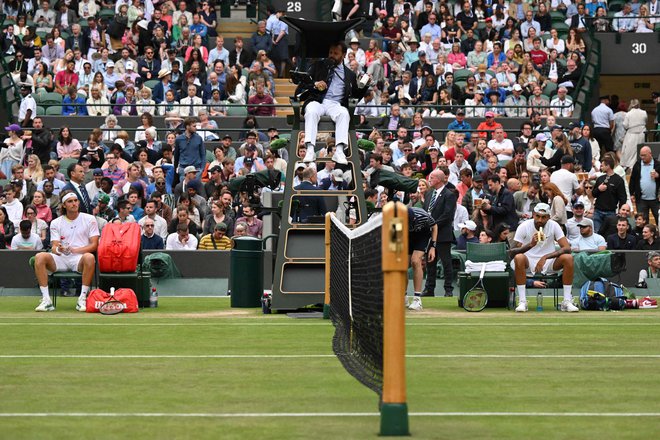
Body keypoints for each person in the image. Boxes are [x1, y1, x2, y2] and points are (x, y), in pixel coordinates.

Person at [299, 41, 370, 165]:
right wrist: (315, 84)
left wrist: (365, 86)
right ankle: (310, 148)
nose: (332, 55)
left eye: (336, 53)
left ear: (343, 55)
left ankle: (340, 151)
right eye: (330, 52)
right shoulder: (319, 65)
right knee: (311, 111)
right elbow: (304, 83)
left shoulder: (350, 74)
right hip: (318, 101)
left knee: (344, 113)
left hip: (335, 104)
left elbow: (355, 96)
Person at [33, 192, 100, 312]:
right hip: (61, 259)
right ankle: (46, 300)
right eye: (70, 201)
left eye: (76, 200)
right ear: (64, 205)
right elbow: (54, 246)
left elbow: (94, 245)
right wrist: (59, 249)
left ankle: (82, 298)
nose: (74, 203)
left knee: (89, 257)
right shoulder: (56, 222)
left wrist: (75, 250)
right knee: (39, 257)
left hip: (79, 259)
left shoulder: (90, 219)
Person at [510, 203, 579, 313]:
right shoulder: (524, 226)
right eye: (537, 216)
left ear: (548, 217)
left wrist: (545, 257)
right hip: (528, 261)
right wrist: (530, 245)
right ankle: (522, 301)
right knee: (519, 258)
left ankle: (567, 301)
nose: (540, 220)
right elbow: (512, 252)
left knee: (568, 258)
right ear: (533, 215)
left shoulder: (554, 225)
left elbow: (567, 248)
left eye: (543, 217)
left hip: (548, 261)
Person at [422, 169, 457, 297]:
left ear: (438, 179)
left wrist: (433, 224)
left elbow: (447, 215)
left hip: (442, 235)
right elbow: (426, 211)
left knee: (446, 262)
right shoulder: (429, 194)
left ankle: (448, 289)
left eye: (431, 177)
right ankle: (429, 288)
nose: (429, 180)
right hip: (429, 235)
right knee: (429, 262)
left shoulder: (449, 195)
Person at [591, 156, 627, 232]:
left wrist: (620, 211)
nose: (601, 167)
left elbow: (622, 197)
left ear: (608, 166)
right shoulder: (600, 178)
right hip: (598, 211)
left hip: (611, 212)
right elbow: (593, 194)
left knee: (610, 233)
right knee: (597, 233)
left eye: (602, 165)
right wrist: (599, 189)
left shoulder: (618, 180)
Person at [629, 146, 660, 226]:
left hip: (656, 200)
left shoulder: (657, 164)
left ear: (650, 154)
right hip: (641, 199)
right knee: (642, 222)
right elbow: (632, 180)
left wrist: (658, 175)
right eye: (641, 155)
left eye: (644, 155)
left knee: (659, 220)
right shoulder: (638, 164)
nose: (642, 157)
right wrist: (631, 194)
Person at [620, 99, 648, 170]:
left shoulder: (628, 114)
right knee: (641, 150)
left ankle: (630, 167)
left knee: (630, 152)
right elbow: (646, 121)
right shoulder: (644, 112)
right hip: (642, 134)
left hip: (631, 135)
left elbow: (625, 125)